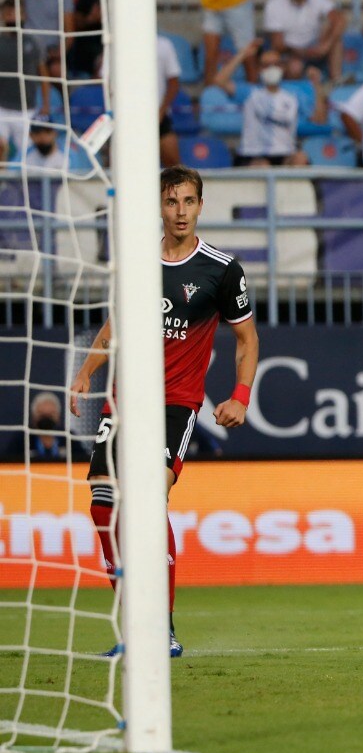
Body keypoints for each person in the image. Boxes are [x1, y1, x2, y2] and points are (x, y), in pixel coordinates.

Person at [68, 165, 259, 659]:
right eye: (171, 202)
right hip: (126, 401)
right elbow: (115, 324)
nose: (180, 212)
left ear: (201, 205)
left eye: (188, 202)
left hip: (175, 404)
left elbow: (246, 339)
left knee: (151, 503)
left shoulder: (220, 269)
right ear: (159, 205)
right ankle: (134, 625)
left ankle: (162, 629)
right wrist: (88, 370)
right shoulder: (136, 260)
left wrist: (240, 394)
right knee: (104, 505)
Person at [209, 41, 326, 167]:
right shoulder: (249, 92)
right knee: (263, 166)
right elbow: (219, 81)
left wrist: (317, 85)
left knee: (300, 158)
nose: (271, 68)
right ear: (259, 69)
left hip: (284, 154)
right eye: (266, 65)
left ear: (282, 67)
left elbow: (319, 119)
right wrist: (242, 54)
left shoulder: (293, 96)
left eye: (276, 64)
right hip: (253, 154)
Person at [262, 0, 346, 83]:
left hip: (316, 50)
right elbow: (278, 44)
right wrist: (303, 52)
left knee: (336, 42)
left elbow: (340, 20)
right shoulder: (274, 4)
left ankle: (336, 82)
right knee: (295, 67)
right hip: (290, 53)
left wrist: (324, 46)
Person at [0, 0, 40, 166]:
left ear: (24, 15)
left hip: (26, 109)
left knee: (29, 156)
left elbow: (42, 71)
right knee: (0, 149)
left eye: (16, 13)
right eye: (8, 13)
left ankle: (28, 189)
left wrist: (44, 103)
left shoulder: (31, 42)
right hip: (2, 107)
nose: (12, 17)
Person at [12, 393, 69, 462]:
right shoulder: (21, 440)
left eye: (51, 415)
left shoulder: (69, 440)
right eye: (42, 415)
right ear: (33, 417)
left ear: (58, 417)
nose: (46, 419)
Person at [157, 34, 184, 169]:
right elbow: (106, 80)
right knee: (119, 164)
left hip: (158, 115)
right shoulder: (118, 44)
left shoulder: (163, 45)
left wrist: (161, 111)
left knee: (174, 167)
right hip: (128, 116)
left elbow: (174, 82)